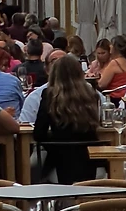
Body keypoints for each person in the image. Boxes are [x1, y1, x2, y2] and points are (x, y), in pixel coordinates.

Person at [34, 54, 102, 183]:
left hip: (61, 158)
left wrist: (54, 139)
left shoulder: (49, 95)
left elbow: (39, 133)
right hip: (89, 158)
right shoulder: (91, 94)